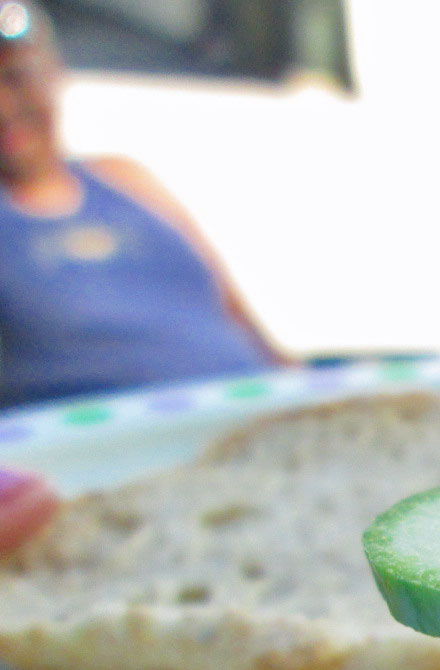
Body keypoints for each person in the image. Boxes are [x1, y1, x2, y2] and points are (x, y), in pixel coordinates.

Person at [0, 1, 285, 412]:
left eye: (16, 78)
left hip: (245, 409)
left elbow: (239, 316)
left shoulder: (125, 181)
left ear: (53, 74)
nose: (5, 108)